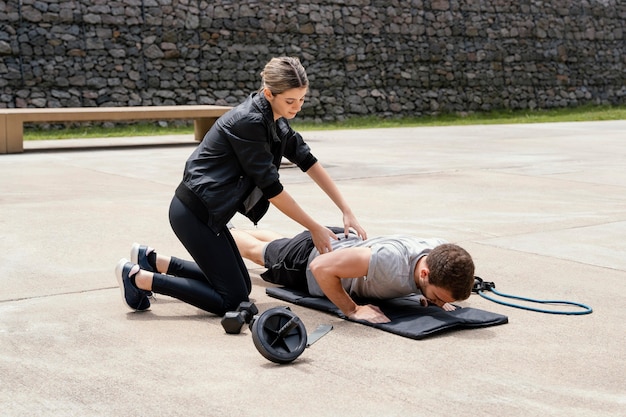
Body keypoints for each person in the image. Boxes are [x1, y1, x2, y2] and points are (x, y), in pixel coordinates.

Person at [115, 56, 366, 316]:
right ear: (269, 93)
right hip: (193, 213)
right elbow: (273, 190)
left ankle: (152, 261)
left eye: (302, 99)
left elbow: (308, 160)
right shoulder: (250, 122)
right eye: (290, 101)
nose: (298, 107)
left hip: (211, 213)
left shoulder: (276, 119)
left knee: (242, 286)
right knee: (233, 301)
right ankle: (137, 278)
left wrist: (346, 210)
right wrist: (314, 228)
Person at [118, 227, 475, 324]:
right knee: (256, 254)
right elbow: (321, 269)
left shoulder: (440, 250)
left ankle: (151, 258)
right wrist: (352, 310)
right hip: (305, 262)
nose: (437, 301)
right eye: (439, 294)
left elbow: (444, 272)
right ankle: (220, 234)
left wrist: (435, 296)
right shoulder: (387, 261)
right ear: (424, 271)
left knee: (273, 241)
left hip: (341, 245)